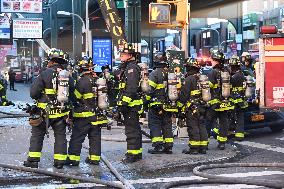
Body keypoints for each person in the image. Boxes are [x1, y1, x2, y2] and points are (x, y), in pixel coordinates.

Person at [23, 48, 75, 169]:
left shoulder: (45, 73)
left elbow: (33, 93)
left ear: (51, 61)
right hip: (61, 113)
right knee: (61, 137)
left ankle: (33, 161)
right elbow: (72, 93)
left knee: (37, 135)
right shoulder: (68, 76)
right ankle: (60, 161)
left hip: (44, 113)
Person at [66, 57, 108, 166]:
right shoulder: (97, 80)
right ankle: (94, 159)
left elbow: (76, 97)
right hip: (97, 115)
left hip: (83, 116)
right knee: (95, 138)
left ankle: (73, 159)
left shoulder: (82, 81)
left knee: (77, 137)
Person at [116, 43, 143, 163]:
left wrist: (123, 104)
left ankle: (132, 155)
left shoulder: (132, 68)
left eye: (123, 54)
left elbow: (131, 88)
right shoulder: (128, 67)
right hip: (131, 105)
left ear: (130, 55)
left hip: (131, 106)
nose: (121, 56)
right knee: (133, 130)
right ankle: (136, 153)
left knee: (132, 131)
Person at [205, 50, 234, 150]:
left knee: (208, 122)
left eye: (212, 60)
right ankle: (222, 143)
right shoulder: (227, 72)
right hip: (225, 103)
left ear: (215, 60)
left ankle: (205, 143)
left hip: (214, 103)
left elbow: (208, 88)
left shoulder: (212, 72)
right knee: (223, 122)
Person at [179, 58, 208, 154]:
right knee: (201, 126)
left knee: (193, 127)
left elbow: (184, 95)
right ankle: (203, 147)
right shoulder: (202, 78)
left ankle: (194, 148)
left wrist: (180, 107)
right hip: (202, 106)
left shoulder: (188, 79)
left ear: (189, 67)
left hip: (192, 108)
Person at [147, 52, 174, 154]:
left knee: (155, 124)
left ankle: (158, 146)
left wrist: (145, 101)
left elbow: (149, 90)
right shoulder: (169, 73)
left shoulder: (154, 73)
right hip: (168, 105)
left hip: (156, 105)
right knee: (167, 125)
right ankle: (168, 146)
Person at [229, 55, 248, 141]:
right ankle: (239, 135)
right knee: (240, 118)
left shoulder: (235, 76)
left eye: (231, 66)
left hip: (235, 101)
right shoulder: (242, 74)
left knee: (231, 117)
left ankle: (231, 133)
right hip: (242, 100)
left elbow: (229, 86)